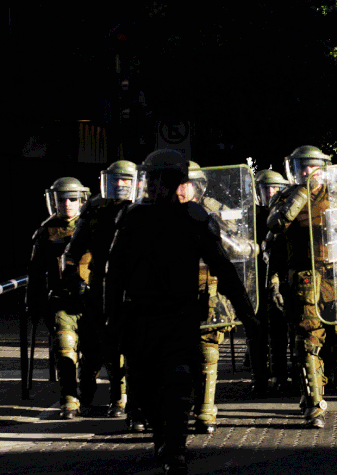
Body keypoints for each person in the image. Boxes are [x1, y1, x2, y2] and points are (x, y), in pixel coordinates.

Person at [105, 149, 261, 474]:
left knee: (177, 382)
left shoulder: (194, 218)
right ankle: (164, 437)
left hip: (179, 315)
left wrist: (247, 313)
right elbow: (114, 274)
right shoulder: (133, 218)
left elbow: (223, 268)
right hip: (141, 316)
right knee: (142, 386)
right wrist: (112, 317)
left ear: (168, 181)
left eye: (152, 179)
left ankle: (174, 447)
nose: (148, 185)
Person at [266, 145, 337, 428]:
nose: (306, 172)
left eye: (311, 167)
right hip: (305, 282)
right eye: (301, 168)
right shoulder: (286, 199)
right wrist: (274, 283)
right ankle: (314, 405)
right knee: (308, 343)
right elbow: (275, 238)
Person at [176, 161, 263, 434]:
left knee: (207, 350)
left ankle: (204, 411)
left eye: (186, 183)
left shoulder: (214, 211)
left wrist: (220, 240)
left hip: (208, 288)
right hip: (170, 291)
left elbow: (245, 247)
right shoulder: (156, 214)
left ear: (198, 186)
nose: (180, 189)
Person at [61, 161, 137, 421]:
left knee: (135, 345)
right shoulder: (94, 208)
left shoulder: (146, 207)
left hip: (138, 284)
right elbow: (72, 250)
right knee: (106, 343)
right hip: (102, 284)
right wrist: (73, 277)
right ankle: (117, 396)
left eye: (126, 180)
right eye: (115, 180)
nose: (120, 185)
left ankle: (130, 398)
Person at [27, 177, 91, 419]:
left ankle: (87, 389)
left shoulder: (94, 225)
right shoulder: (46, 231)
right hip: (62, 300)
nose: (67, 204)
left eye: (72, 199)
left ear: (82, 199)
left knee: (93, 353)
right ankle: (69, 399)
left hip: (92, 300)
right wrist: (32, 302)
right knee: (65, 348)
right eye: (61, 199)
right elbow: (35, 270)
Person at [254, 169, 291, 392]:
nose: (270, 193)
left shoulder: (287, 212)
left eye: (275, 188)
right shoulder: (253, 215)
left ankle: (288, 374)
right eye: (266, 189)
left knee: (285, 328)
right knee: (261, 331)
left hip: (285, 277)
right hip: (258, 279)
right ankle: (266, 376)